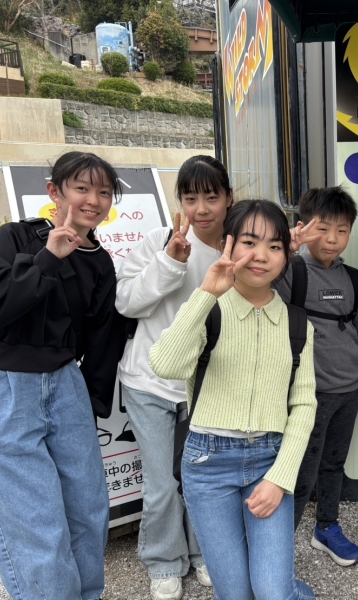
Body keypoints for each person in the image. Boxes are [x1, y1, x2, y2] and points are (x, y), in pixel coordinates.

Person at [0, 151, 124, 600]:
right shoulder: (15, 238)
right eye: (81, 188)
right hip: (2, 381)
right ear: (55, 191)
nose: (93, 200)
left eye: (104, 192)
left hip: (65, 383)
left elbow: (102, 338)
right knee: (37, 523)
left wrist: (91, 403)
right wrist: (49, 258)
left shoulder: (100, 262)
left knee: (89, 509)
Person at [149, 199, 318, 600]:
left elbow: (304, 404)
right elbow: (165, 364)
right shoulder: (209, 309)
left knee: (273, 592)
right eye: (249, 242)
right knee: (236, 593)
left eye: (275, 246)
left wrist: (280, 478)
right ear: (228, 244)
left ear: (286, 254)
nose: (261, 255)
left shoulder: (297, 324)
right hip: (207, 464)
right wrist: (207, 293)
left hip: (269, 459)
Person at [116, 155, 232, 599]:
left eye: (211, 197)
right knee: (162, 482)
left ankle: (205, 553)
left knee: (204, 477)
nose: (201, 209)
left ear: (228, 198)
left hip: (205, 384)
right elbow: (126, 303)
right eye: (190, 198)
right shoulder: (159, 241)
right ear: (179, 201)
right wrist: (169, 262)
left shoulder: (236, 248)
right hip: (148, 381)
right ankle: (164, 561)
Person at [274, 186, 358, 566]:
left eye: (342, 230)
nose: (333, 239)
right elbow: (259, 285)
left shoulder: (352, 278)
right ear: (304, 228)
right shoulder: (291, 271)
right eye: (323, 229)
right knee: (301, 472)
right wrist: (286, 251)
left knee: (334, 464)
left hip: (348, 391)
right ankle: (277, 545)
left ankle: (326, 527)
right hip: (308, 395)